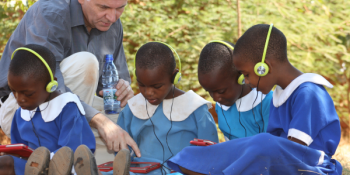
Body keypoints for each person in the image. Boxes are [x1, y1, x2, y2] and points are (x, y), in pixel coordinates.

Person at [167, 24, 342, 175]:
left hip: (313, 166)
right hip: (281, 160)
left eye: (247, 74)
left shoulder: (309, 92)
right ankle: (193, 161)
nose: (247, 81)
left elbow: (291, 149)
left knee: (260, 142)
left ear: (264, 67)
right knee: (204, 152)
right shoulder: (281, 95)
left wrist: (242, 151)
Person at [0, 0, 140, 163]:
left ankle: (76, 163)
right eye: (103, 7)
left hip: (76, 113)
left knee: (131, 127)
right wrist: (101, 122)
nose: (112, 17)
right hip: (23, 109)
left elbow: (111, 88)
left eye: (120, 8)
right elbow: (49, 85)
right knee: (85, 63)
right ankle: (61, 159)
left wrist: (122, 89)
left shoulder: (113, 24)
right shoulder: (50, 12)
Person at [101, 42, 219, 175]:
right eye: (142, 85)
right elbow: (123, 150)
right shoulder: (133, 108)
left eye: (156, 86)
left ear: (174, 77)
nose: (148, 92)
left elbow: (211, 152)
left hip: (180, 171)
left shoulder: (196, 109)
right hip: (141, 171)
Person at [0, 44, 95, 175]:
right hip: (32, 168)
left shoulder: (67, 107)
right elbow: (19, 151)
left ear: (51, 85)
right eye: (14, 92)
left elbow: (72, 149)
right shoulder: (20, 114)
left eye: (27, 94)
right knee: (4, 163)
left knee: (64, 163)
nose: (19, 99)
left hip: (66, 166)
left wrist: (46, 162)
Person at [198, 41, 272, 140]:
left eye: (221, 91)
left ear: (241, 77)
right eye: (209, 91)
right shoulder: (221, 106)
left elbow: (275, 145)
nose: (215, 98)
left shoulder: (268, 103)